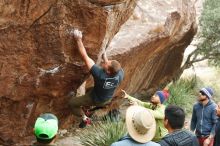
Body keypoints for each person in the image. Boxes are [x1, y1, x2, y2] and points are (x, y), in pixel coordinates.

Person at [69, 29, 124, 128]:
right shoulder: (120, 73)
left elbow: (85, 56)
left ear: (108, 72)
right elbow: (112, 67)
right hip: (106, 96)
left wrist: (78, 39)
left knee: (72, 103)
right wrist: (105, 56)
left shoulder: (100, 75)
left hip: (96, 98)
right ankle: (88, 110)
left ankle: (85, 118)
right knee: (88, 91)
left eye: (106, 64)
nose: (105, 62)